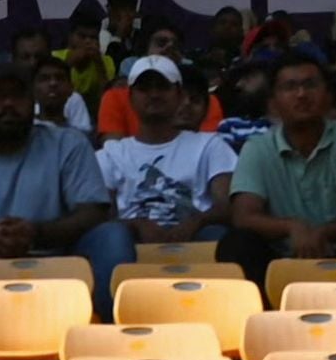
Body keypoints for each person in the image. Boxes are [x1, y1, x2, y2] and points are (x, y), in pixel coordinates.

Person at [0, 62, 125, 301]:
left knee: (113, 235)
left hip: (60, 262)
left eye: (17, 96)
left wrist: (36, 233)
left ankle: (108, 328)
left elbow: (93, 212)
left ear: (33, 102)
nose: (8, 104)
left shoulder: (69, 143)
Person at [221, 51, 336, 281]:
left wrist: (322, 233)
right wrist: (292, 227)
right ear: (273, 103)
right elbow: (244, 216)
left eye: (310, 85)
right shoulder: (257, 147)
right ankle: (258, 312)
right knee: (236, 243)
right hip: (281, 255)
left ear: (328, 96)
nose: (301, 94)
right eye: (290, 87)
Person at [95, 55, 236, 249]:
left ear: (178, 94)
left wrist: (196, 222)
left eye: (162, 87)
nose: (154, 94)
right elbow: (100, 217)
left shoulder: (211, 145)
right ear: (130, 97)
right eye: (144, 88)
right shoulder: (111, 153)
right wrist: (136, 225)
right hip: (130, 245)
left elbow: (227, 204)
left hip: (196, 239)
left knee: (219, 235)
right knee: (112, 237)